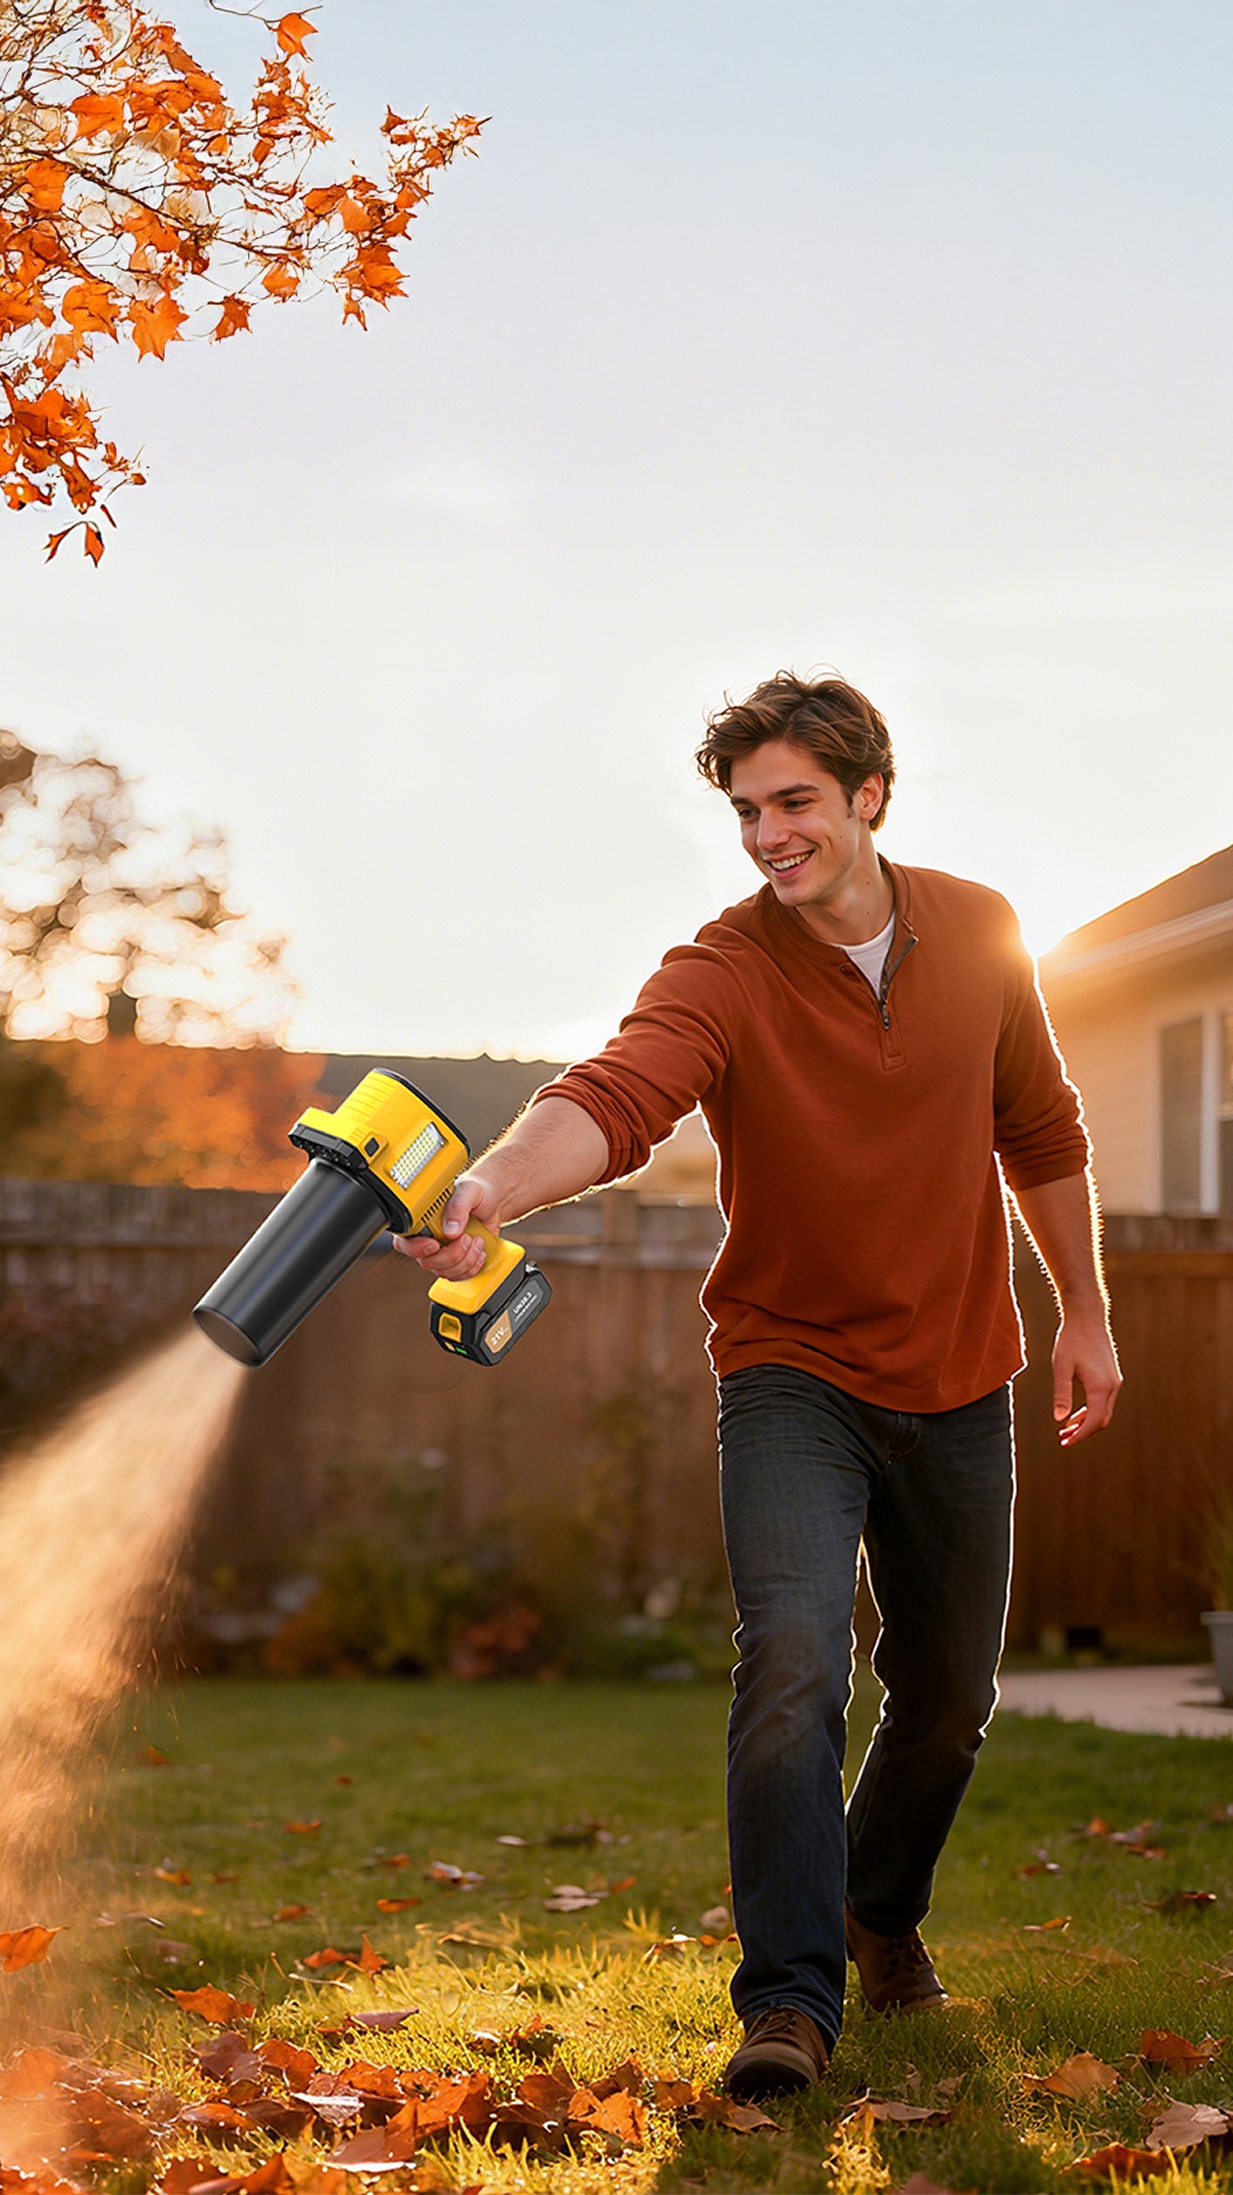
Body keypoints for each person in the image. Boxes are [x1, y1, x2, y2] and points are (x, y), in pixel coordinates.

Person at [394, 671, 1121, 2100]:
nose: (766, 835)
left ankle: (875, 1915)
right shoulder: (721, 966)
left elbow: (1038, 1131)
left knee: (947, 1696)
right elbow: (615, 1094)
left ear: (867, 797)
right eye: (745, 811)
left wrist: (1085, 1310)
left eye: (793, 803)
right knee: (791, 1655)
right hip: (790, 1368)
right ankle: (789, 2001)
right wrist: (489, 1185)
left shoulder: (979, 931)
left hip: (963, 1371)